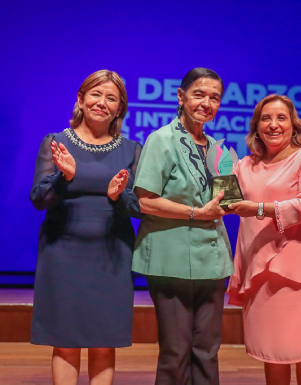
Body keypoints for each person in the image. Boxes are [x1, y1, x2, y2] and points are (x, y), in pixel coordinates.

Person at [29, 70, 141, 385]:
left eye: (111, 98)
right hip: (62, 253)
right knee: (65, 340)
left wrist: (118, 197)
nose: (101, 103)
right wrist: (63, 177)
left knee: (104, 339)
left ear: (120, 108)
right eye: (95, 94)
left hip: (111, 254)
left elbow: (138, 207)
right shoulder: (56, 143)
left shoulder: (132, 150)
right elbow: (40, 199)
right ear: (81, 99)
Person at [227, 94, 301, 385]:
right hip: (260, 274)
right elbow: (225, 200)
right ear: (256, 126)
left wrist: (257, 209)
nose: (273, 124)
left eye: (281, 118)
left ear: (294, 125)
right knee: (273, 354)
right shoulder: (245, 166)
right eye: (266, 118)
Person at [132, 68, 233, 385]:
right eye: (199, 94)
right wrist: (195, 213)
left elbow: (226, 202)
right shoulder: (160, 140)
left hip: (214, 263)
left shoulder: (219, 148)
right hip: (170, 260)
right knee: (176, 351)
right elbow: (145, 201)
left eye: (214, 97)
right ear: (181, 96)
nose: (207, 102)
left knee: (207, 350)